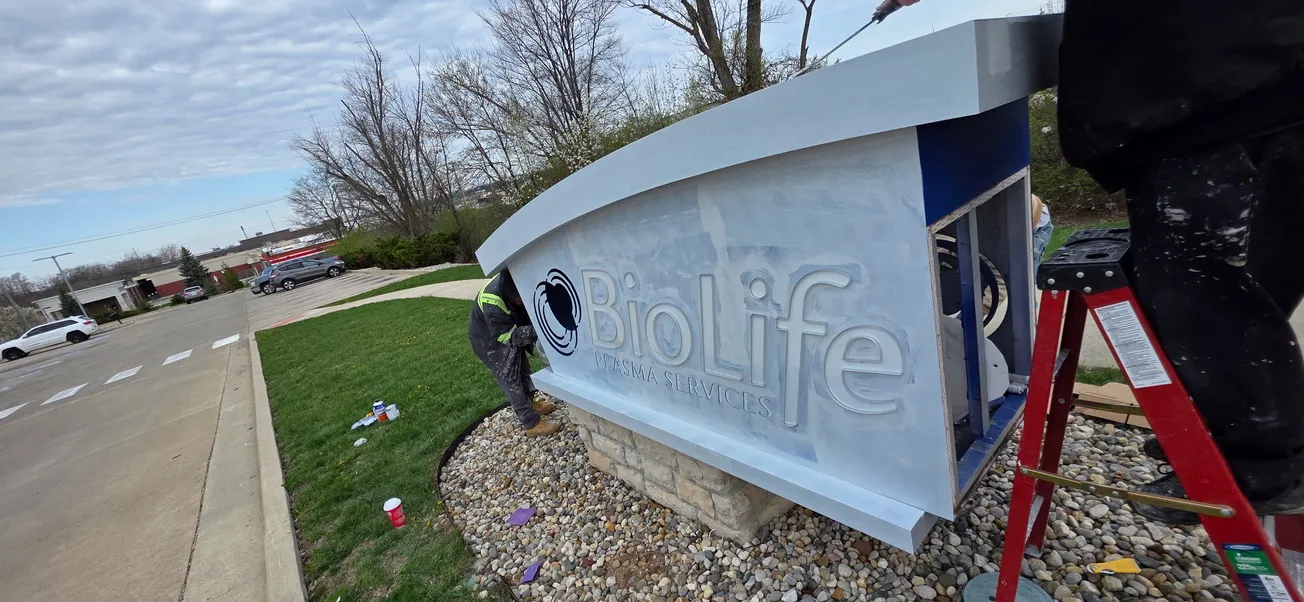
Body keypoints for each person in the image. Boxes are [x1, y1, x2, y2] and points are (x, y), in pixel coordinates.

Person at [889, 0, 1304, 522]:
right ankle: (1243, 444)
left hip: (1203, 95)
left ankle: (1257, 466)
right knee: (1246, 285)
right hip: (1260, 77)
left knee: (1202, 292)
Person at [468, 270, 561, 437]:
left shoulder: (517, 279)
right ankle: (531, 423)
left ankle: (532, 404)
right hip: (489, 341)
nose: (521, 301)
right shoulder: (493, 301)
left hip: (506, 328)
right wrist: (540, 330)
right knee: (511, 377)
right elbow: (507, 336)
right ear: (510, 295)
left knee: (523, 366)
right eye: (518, 299)